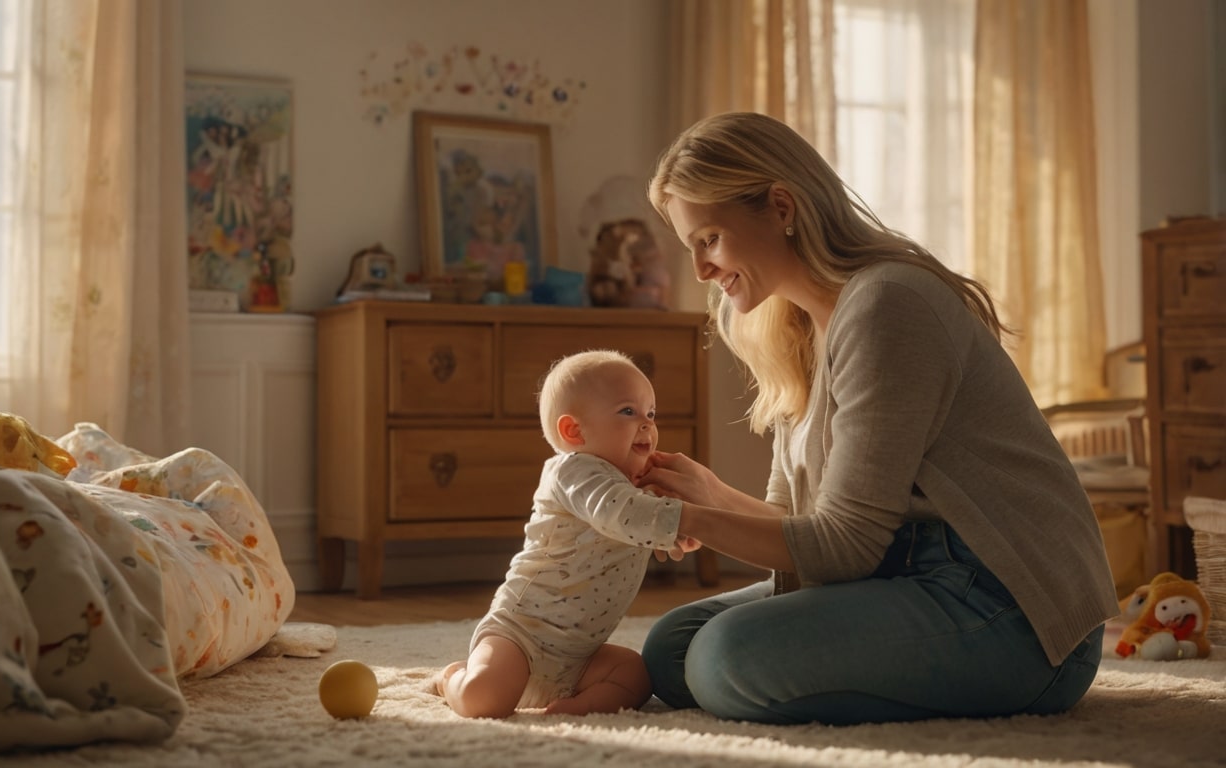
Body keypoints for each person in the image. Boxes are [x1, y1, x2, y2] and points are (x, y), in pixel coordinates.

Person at [634, 112, 1118, 725]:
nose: (700, 269)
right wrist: (713, 496)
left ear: (780, 207)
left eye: (709, 239)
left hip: (1009, 608)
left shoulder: (888, 305)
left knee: (724, 658)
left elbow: (844, 548)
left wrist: (684, 516)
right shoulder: (795, 330)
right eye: (691, 247)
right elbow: (808, 530)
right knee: (673, 647)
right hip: (901, 573)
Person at [434, 350, 698, 718]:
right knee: (484, 699)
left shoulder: (633, 490)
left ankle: (576, 707)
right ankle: (453, 679)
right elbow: (617, 513)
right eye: (628, 411)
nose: (647, 424)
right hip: (519, 635)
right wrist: (677, 521)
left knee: (636, 675)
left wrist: (667, 520)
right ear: (574, 431)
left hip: (581, 655)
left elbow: (637, 518)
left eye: (651, 413)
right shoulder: (573, 472)